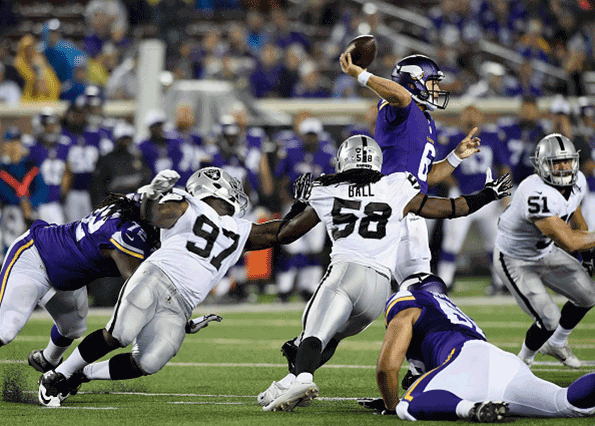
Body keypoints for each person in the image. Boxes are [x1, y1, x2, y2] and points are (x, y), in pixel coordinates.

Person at [258, 135, 511, 412]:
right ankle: (290, 380)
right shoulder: (397, 185)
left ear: (343, 160)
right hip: (378, 291)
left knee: (313, 333)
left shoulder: (326, 189)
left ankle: (302, 378)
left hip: (346, 274)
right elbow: (452, 209)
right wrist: (489, 194)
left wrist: (299, 202)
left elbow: (286, 233)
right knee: (332, 337)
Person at [364, 273, 595, 421]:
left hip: (464, 362)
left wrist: (391, 404)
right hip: (502, 363)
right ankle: (475, 405)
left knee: (407, 406)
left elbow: (387, 367)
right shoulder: (456, 316)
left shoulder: (410, 303)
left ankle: (471, 409)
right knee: (564, 402)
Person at [339, 51, 480, 284]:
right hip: (392, 209)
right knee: (403, 287)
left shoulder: (426, 120)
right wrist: (361, 75)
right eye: (433, 83)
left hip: (411, 209)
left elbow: (427, 176)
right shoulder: (396, 106)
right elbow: (401, 96)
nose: (437, 89)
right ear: (415, 81)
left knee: (414, 288)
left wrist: (455, 157)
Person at [0, 189, 158, 374]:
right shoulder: (125, 234)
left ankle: (47, 360)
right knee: (6, 330)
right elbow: (136, 280)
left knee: (74, 326)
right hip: (35, 256)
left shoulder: (130, 208)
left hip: (66, 274)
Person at [493, 134, 595, 369]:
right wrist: (586, 245)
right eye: (554, 162)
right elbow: (568, 241)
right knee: (549, 318)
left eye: (566, 160)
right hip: (515, 259)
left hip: (545, 252)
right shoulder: (535, 193)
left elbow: (577, 219)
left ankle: (556, 344)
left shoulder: (578, 180)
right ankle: (524, 361)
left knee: (588, 295)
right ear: (541, 166)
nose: (562, 166)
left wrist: (588, 256)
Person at [436, 105, 512, 294]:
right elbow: (440, 166)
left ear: (480, 116)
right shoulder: (452, 138)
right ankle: (445, 282)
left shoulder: (492, 137)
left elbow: (504, 167)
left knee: (495, 242)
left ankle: (500, 282)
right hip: (461, 197)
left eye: (473, 113)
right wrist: (453, 186)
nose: (470, 117)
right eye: (467, 114)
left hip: (488, 197)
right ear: (461, 117)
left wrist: (505, 193)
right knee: (451, 241)